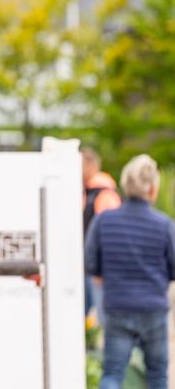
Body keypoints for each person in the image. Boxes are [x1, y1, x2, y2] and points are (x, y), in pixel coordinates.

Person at [85, 154, 175, 389]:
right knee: (157, 376)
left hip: (117, 306)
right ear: (153, 189)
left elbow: (91, 263)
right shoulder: (164, 225)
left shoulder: (104, 221)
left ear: (125, 185)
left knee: (112, 373)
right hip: (154, 309)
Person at [81, 147, 121, 320]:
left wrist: (101, 268)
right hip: (87, 266)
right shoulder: (87, 191)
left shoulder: (104, 194)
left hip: (98, 270)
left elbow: (113, 235)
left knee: (104, 317)